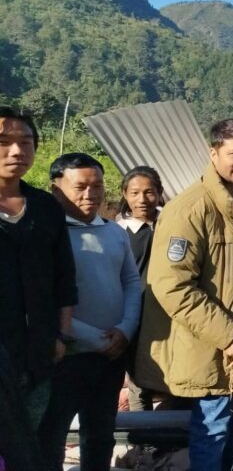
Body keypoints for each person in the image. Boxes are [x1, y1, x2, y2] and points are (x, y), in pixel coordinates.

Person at [135, 119, 233, 471]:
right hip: (213, 345)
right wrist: (227, 335)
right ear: (213, 153)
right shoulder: (191, 208)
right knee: (214, 431)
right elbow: (172, 286)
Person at [40, 153, 142, 471]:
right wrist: (98, 340)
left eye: (97, 186)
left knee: (100, 435)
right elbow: (46, 301)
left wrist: (125, 329)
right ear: (56, 190)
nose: (90, 194)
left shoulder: (115, 232)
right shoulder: (47, 236)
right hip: (65, 357)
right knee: (52, 436)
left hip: (111, 356)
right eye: (80, 187)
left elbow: (131, 282)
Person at [0, 108, 76, 469]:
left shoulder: (46, 207)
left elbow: (64, 276)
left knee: (31, 444)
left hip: (38, 351)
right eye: (4, 142)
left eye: (26, 142)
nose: (17, 151)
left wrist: (62, 334)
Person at [116, 166, 164, 411]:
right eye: (135, 193)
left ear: (160, 192)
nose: (142, 199)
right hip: (136, 315)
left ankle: (171, 430)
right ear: (125, 194)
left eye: (149, 192)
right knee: (139, 382)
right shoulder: (118, 232)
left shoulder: (171, 224)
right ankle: (142, 432)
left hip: (169, 314)